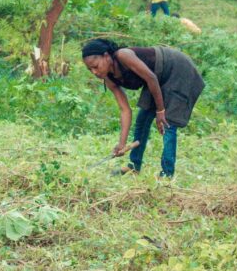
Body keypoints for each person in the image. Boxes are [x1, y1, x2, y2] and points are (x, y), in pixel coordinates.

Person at [82, 39, 204, 178]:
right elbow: (125, 110)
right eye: (90, 69)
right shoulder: (109, 79)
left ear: (106, 56)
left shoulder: (123, 55)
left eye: (96, 66)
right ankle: (134, 165)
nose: (94, 72)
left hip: (176, 68)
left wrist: (160, 111)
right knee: (142, 120)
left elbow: (151, 77)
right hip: (156, 77)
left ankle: (167, 173)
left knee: (167, 124)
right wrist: (121, 144)